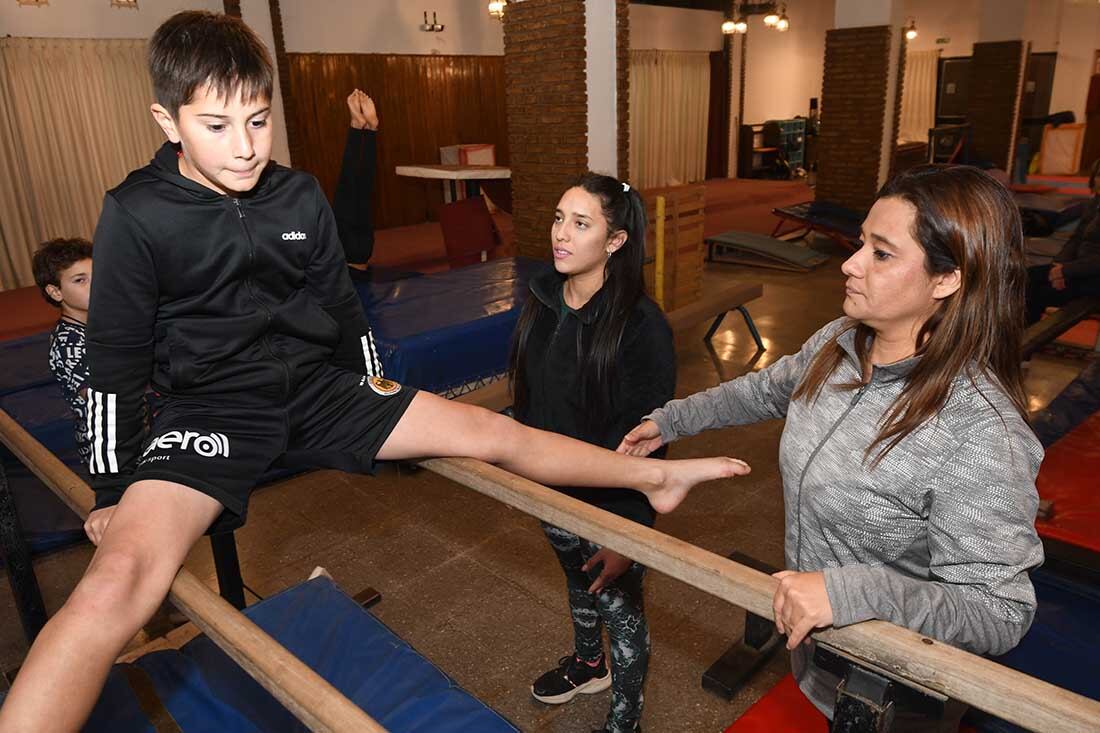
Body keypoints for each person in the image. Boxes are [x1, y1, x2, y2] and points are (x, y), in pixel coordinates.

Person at [0, 13, 750, 731]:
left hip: (321, 389)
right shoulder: (136, 213)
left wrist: (375, 396)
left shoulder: (295, 195)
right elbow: (115, 360)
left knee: (491, 430)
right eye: (216, 125)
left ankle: (651, 480)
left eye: (259, 121)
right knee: (120, 579)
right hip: (213, 410)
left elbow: (343, 308)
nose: (244, 147)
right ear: (167, 121)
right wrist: (109, 486)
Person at [619, 165, 1043, 730]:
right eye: (861, 242)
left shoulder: (979, 431)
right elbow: (769, 388)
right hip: (818, 647)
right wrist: (672, 420)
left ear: (946, 280)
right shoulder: (842, 340)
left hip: (889, 690)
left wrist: (850, 590)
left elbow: (1000, 611)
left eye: (882, 253)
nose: (850, 262)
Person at [511, 173, 670, 733]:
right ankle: (588, 665)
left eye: (581, 224)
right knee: (576, 584)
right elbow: (530, 400)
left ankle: (625, 719)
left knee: (620, 612)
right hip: (548, 490)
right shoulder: (542, 299)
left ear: (615, 241)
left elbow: (650, 445)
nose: (561, 235)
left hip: (607, 507)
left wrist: (628, 533)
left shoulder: (640, 326)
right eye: (559, 218)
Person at [32, 238, 95, 468]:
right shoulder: (68, 342)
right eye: (80, 280)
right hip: (109, 446)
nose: (95, 285)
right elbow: (106, 395)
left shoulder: (97, 326)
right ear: (55, 292)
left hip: (135, 434)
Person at [1025, 159, 1100, 324]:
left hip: (1094, 280)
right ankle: (1021, 335)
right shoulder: (1094, 205)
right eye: (1099, 176)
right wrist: (1058, 266)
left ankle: (1026, 338)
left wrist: (1066, 271)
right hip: (1078, 271)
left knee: (1039, 293)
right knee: (1028, 277)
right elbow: (1076, 239)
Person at [334, 88, 378, 269]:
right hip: (355, 256)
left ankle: (367, 129)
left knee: (355, 194)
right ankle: (366, 129)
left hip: (353, 257)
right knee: (358, 194)